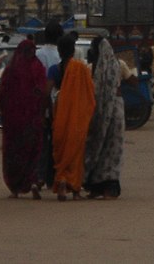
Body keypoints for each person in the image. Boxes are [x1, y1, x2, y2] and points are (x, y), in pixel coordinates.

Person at [0, 39, 49, 199]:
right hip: (33, 121)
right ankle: (33, 181)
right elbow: (44, 95)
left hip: (13, 123)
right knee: (32, 153)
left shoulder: (11, 70)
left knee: (14, 155)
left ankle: (15, 188)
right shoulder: (39, 68)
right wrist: (48, 114)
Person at [47, 33, 96, 201]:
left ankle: (61, 181)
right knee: (76, 151)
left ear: (59, 51)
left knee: (61, 149)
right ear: (73, 50)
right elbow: (90, 94)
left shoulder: (54, 69)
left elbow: (47, 92)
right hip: (77, 113)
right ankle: (75, 189)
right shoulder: (81, 68)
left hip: (60, 110)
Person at [83, 36, 125, 199]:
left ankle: (108, 186)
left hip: (111, 112)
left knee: (110, 149)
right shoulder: (92, 68)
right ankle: (96, 187)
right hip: (102, 110)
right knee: (96, 146)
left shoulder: (113, 67)